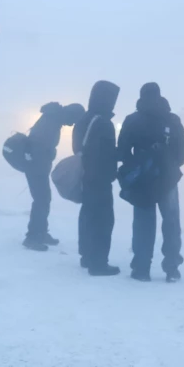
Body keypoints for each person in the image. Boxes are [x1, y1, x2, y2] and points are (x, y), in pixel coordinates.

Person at [117, 82, 184, 282]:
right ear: (160, 96)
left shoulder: (132, 120)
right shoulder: (172, 119)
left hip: (142, 182)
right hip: (168, 178)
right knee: (171, 223)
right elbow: (183, 151)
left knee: (143, 224)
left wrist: (138, 165)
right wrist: (169, 163)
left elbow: (122, 151)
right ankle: (172, 268)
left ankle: (141, 268)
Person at [22, 102, 86, 252]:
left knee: (44, 199)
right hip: (36, 166)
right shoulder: (51, 120)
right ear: (71, 114)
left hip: (38, 165)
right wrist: (49, 154)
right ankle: (32, 237)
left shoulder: (53, 118)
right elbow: (38, 143)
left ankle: (41, 232)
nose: (72, 124)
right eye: (74, 120)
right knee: (41, 199)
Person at [73, 80, 122, 276]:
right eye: (112, 99)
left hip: (86, 177)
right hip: (99, 179)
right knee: (103, 220)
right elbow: (105, 153)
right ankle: (99, 263)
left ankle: (87, 256)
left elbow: (79, 149)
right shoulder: (103, 123)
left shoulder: (84, 119)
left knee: (88, 216)